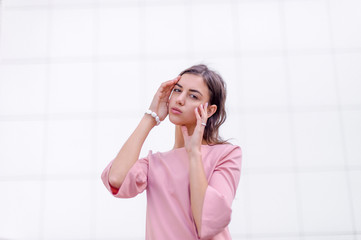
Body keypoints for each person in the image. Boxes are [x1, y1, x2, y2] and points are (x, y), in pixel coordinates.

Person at [101, 64, 242, 240]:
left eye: (193, 96)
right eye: (177, 90)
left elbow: (208, 223)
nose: (180, 99)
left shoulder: (226, 155)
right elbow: (116, 179)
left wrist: (194, 154)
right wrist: (150, 117)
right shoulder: (154, 164)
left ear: (210, 110)